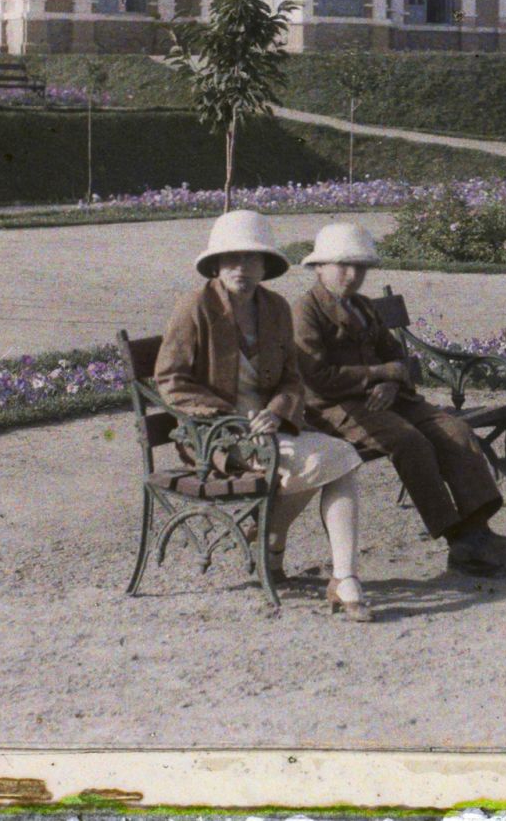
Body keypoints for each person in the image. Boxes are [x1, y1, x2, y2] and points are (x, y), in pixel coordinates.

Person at [155, 209, 374, 621]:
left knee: (340, 456)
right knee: (322, 461)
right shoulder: (195, 308)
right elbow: (170, 381)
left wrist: (276, 411)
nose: (242, 267)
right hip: (215, 437)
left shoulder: (274, 308)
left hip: (272, 432)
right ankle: (272, 539)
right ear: (217, 264)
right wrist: (230, 417)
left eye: (252, 259)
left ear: (265, 266)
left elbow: (292, 379)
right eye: (232, 258)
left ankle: (344, 577)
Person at [291, 220, 506, 576]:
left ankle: (480, 531)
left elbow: (401, 361)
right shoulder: (307, 311)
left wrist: (391, 382)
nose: (352, 275)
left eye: (360, 267)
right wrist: (380, 375)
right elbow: (317, 378)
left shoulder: (364, 307)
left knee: (455, 431)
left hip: (388, 399)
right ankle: (458, 539)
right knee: (409, 442)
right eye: (343, 266)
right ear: (319, 267)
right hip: (336, 406)